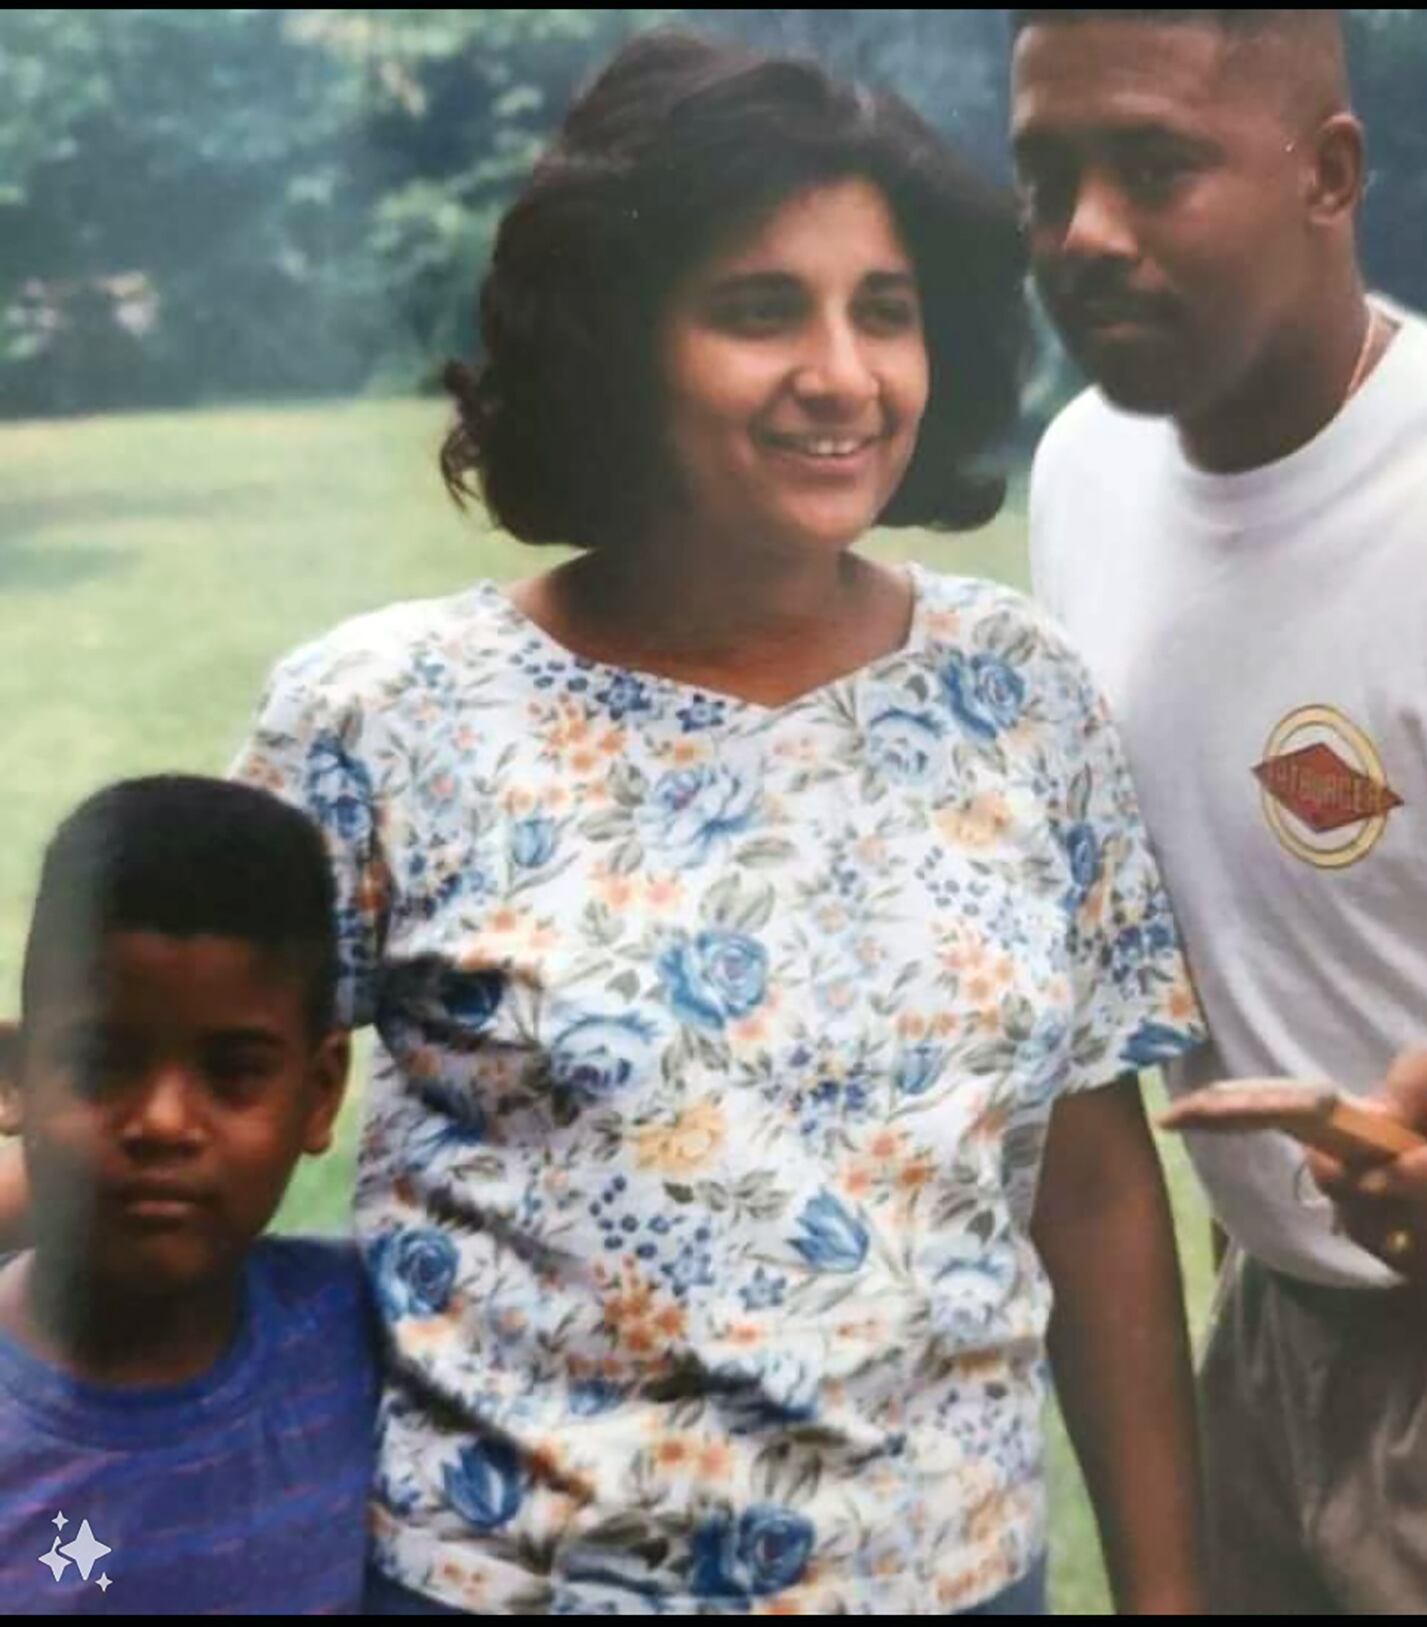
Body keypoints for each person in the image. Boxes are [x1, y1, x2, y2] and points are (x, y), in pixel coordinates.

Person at [233, 31, 1208, 1616]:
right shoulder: (380, 714)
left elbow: (1094, 1194)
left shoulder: (1021, 694)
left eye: (883, 311)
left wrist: (1169, 1596)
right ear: (618, 340)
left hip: (957, 1585)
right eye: (763, 309)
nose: (844, 371)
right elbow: (170, 1110)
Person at [1014, 7, 1427, 1612]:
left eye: (1153, 167)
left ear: (1328, 173)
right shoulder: (1089, 471)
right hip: (1269, 1342)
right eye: (1044, 176)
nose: (1084, 234)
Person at [0, 776, 376, 1613]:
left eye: (234, 1071)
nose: (164, 1121)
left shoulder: (374, 1342)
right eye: (102, 1062)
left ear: (319, 1094)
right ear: (14, 1078)